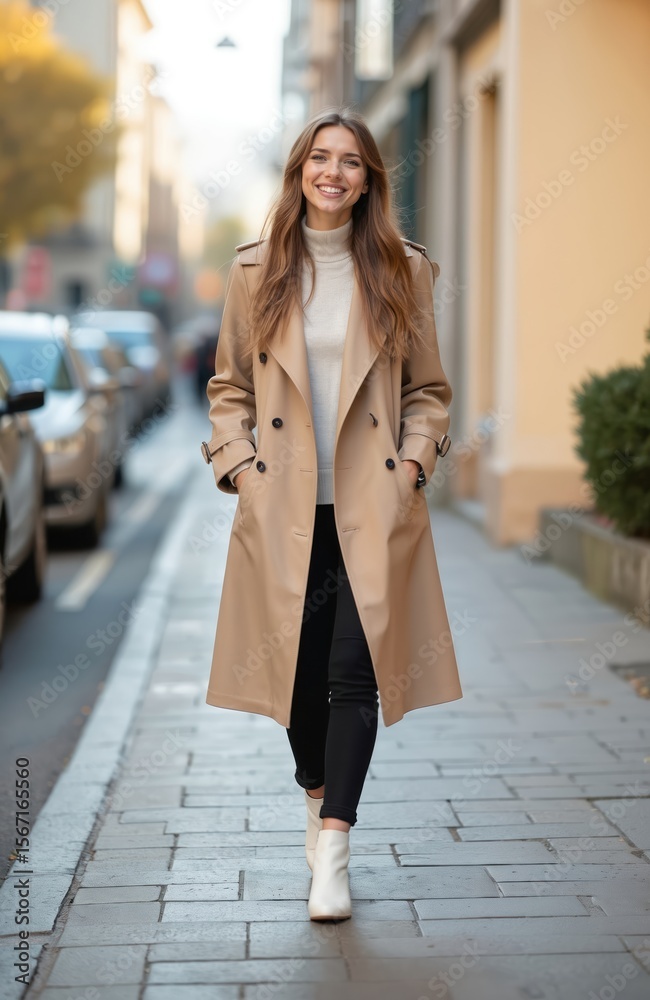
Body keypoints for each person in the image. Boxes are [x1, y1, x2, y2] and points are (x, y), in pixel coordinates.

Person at [201, 107, 463, 922]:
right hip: (282, 504)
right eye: (321, 158)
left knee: (355, 673)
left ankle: (336, 851)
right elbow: (229, 389)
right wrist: (240, 467)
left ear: (369, 179)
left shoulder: (401, 269)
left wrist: (415, 463)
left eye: (352, 161)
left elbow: (428, 390)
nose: (335, 173)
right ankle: (316, 800)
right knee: (297, 678)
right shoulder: (256, 271)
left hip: (371, 502)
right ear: (300, 171)